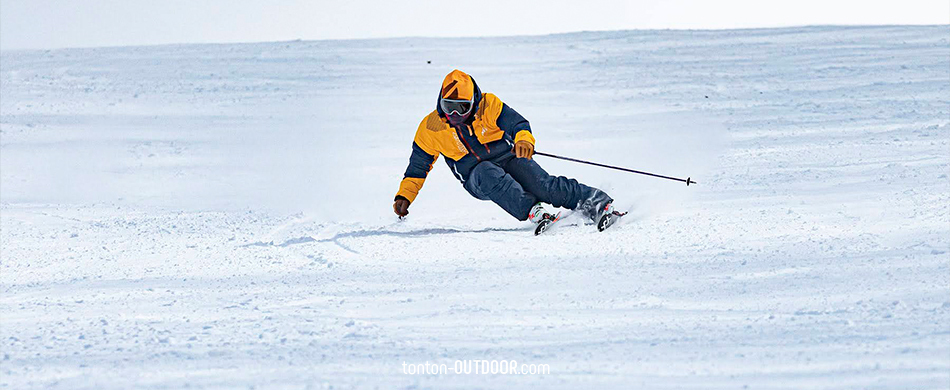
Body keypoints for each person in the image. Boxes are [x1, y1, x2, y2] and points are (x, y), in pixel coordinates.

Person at [392, 69, 616, 227]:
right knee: (486, 172)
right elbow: (418, 168)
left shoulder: (488, 105)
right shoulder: (430, 128)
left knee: (543, 186)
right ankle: (534, 211)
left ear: (474, 102)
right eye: (448, 107)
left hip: (509, 157)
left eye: (462, 108)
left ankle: (596, 203)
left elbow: (516, 123)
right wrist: (405, 195)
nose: (454, 115)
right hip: (476, 177)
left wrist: (524, 140)